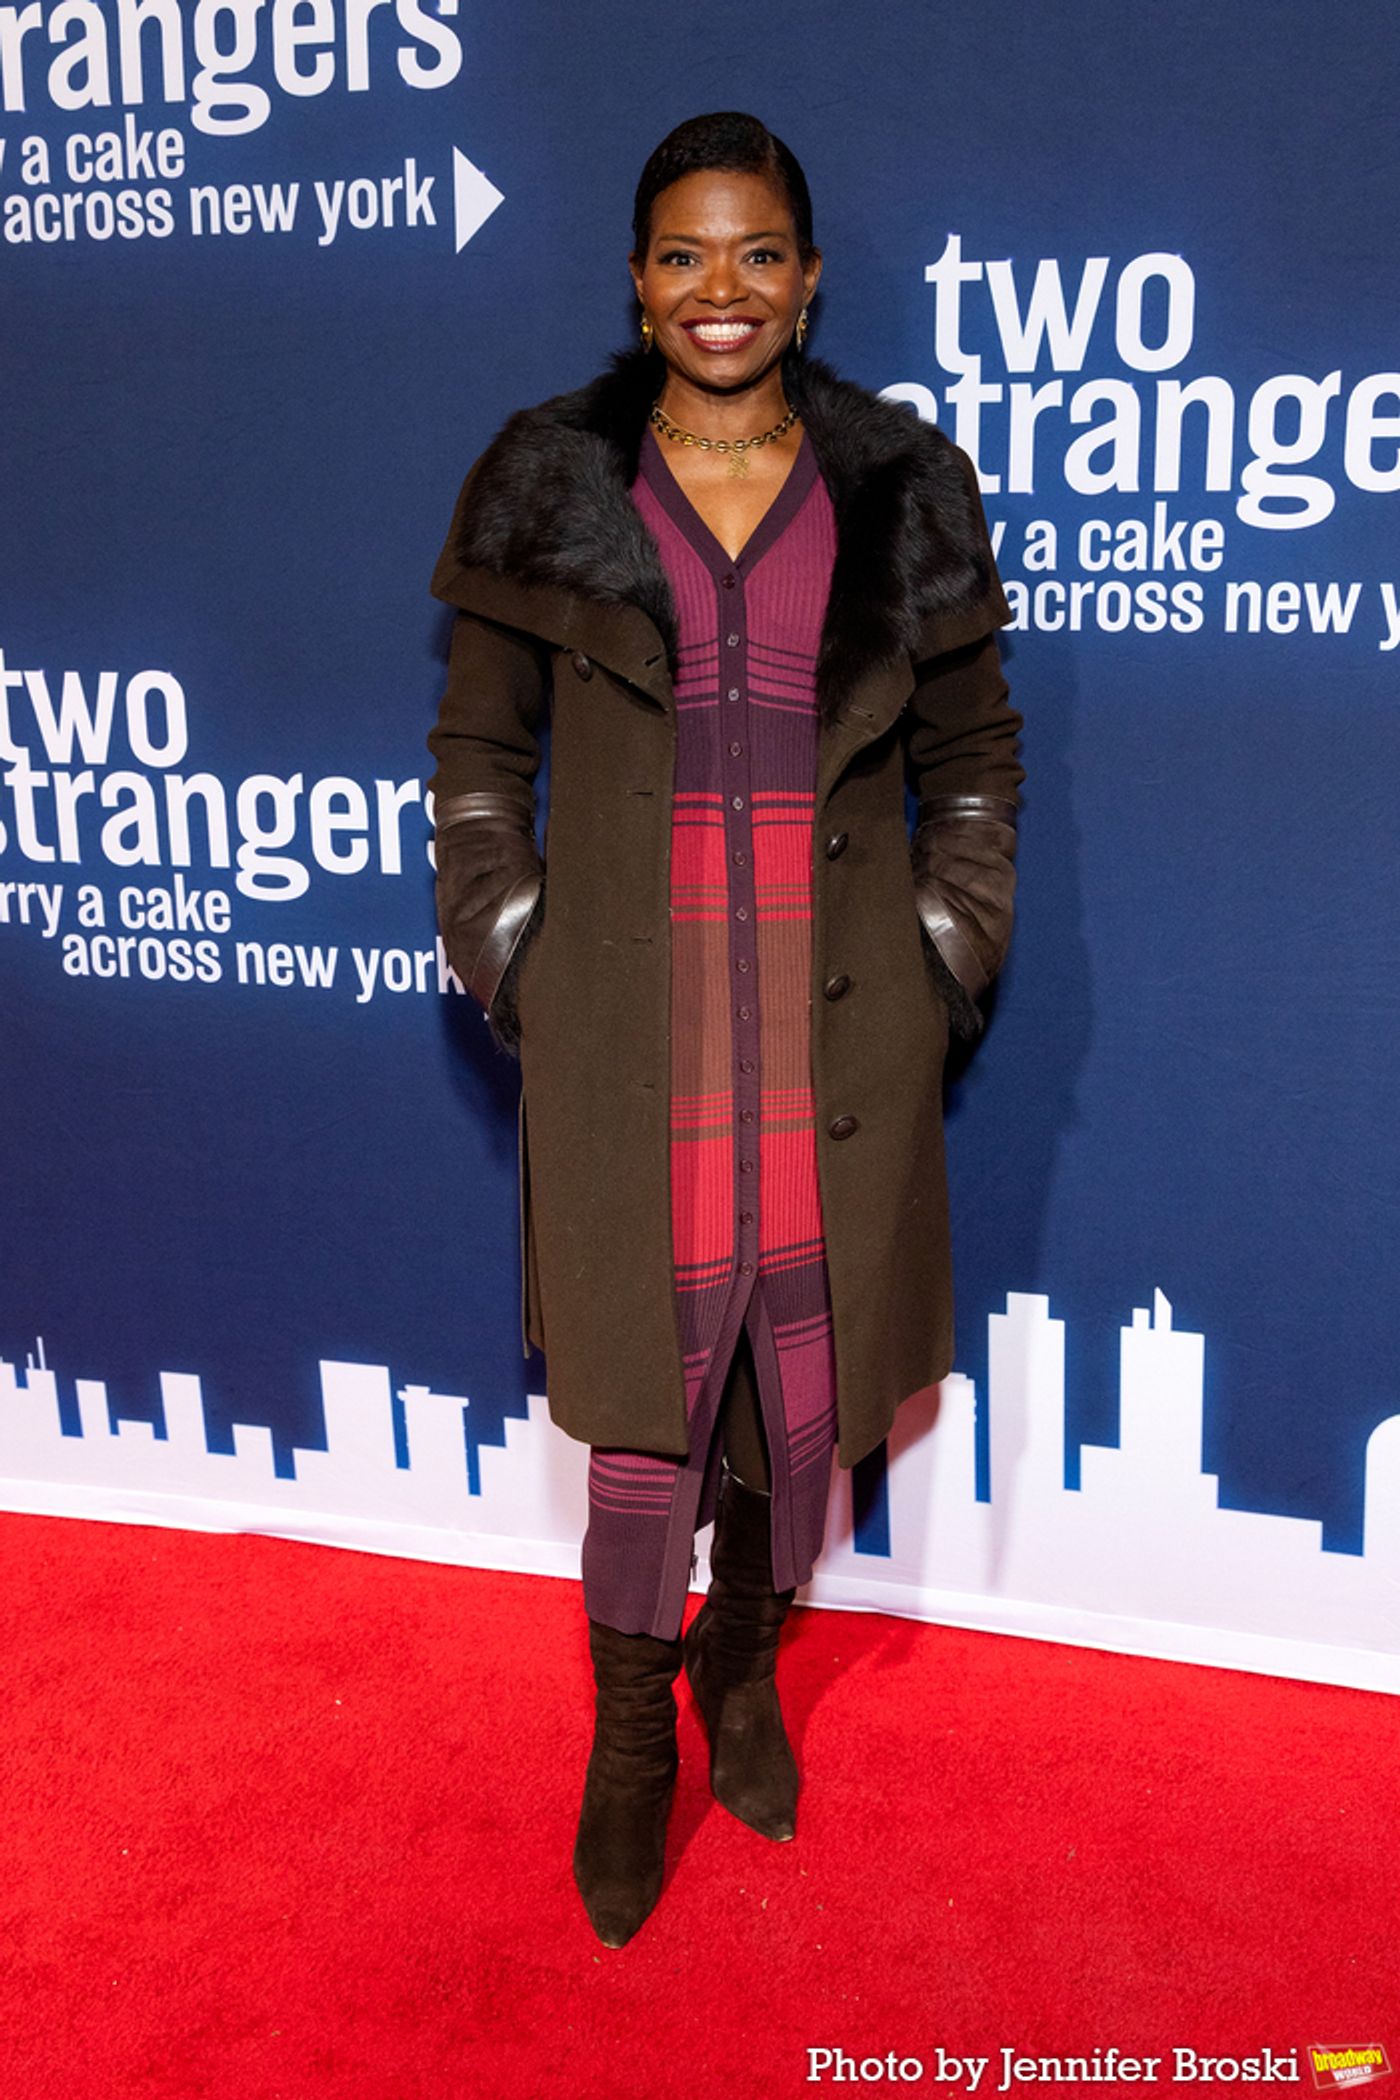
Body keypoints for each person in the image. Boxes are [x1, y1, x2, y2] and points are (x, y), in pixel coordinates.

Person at [425, 111, 1024, 1948]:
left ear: (811, 277)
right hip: (634, 1041)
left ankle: (741, 1675)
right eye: (684, 256)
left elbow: (977, 762)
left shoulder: (908, 493)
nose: (721, 291)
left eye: (758, 254)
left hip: (837, 1042)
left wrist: (948, 949)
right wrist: (513, 946)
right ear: (635, 279)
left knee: (804, 1397)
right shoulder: (547, 485)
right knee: (640, 1421)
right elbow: (476, 762)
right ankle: (627, 1748)